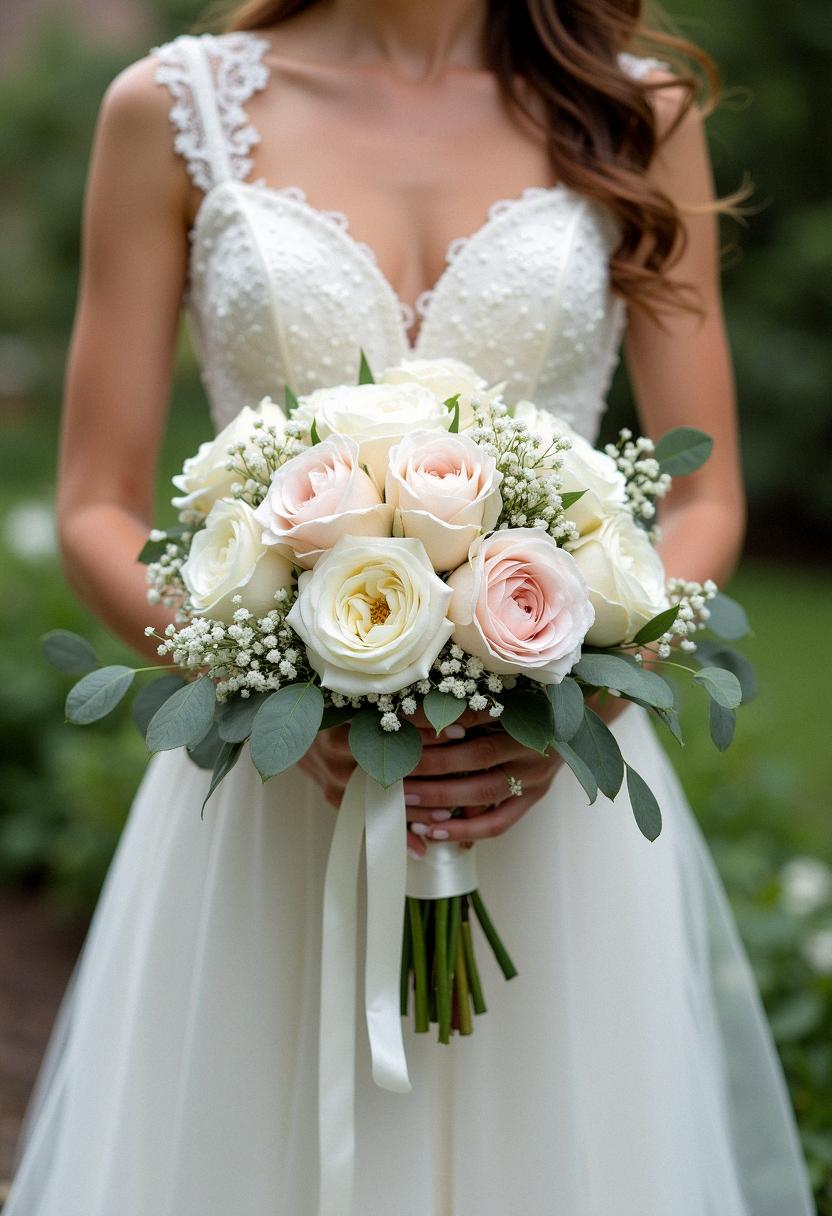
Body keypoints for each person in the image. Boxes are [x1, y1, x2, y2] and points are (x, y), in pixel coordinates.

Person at [3, 2, 816, 1213]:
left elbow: (703, 498)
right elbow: (94, 506)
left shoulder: (635, 112)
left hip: (545, 801)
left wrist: (579, 691)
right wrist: (265, 685)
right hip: (274, 797)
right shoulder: (172, 112)